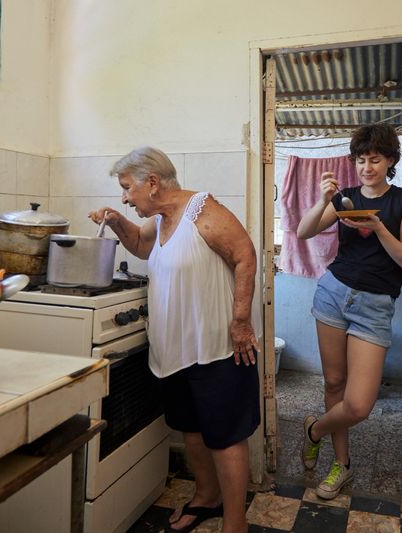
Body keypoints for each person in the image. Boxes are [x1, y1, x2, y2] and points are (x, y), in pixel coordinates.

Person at [89, 146, 260, 533]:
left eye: (127, 188)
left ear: (152, 183)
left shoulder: (203, 210)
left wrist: (240, 321)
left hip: (216, 346)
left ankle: (236, 523)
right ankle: (206, 497)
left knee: (225, 435)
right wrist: (117, 220)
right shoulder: (161, 218)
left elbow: (245, 255)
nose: (124, 197)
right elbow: (140, 245)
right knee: (192, 429)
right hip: (174, 348)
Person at [295, 123, 402, 499]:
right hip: (333, 294)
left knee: (360, 404)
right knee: (334, 383)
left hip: (375, 306)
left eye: (375, 159)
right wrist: (322, 199)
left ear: (391, 160)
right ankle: (341, 465)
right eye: (361, 160)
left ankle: (315, 429)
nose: (367, 167)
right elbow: (303, 232)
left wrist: (378, 226)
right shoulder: (344, 197)